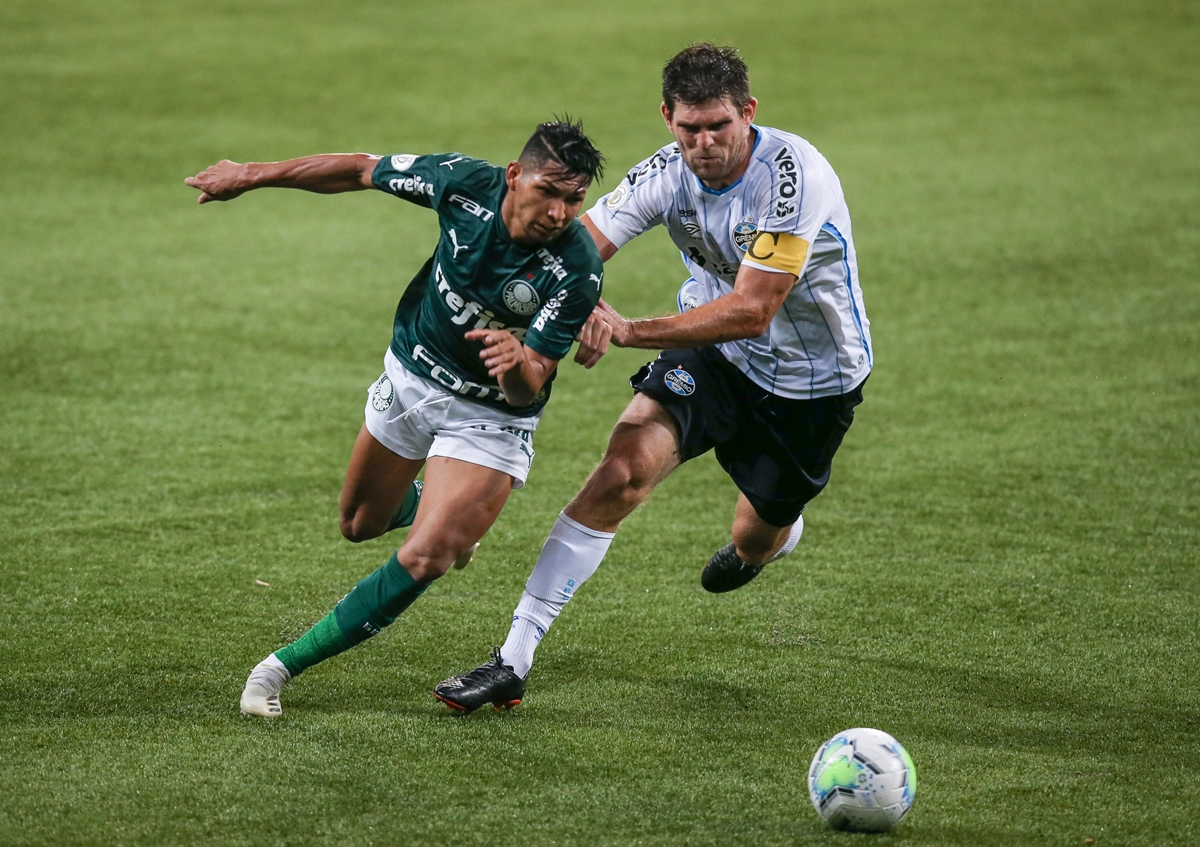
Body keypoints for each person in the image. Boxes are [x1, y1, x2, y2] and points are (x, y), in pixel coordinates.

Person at [434, 45, 872, 713]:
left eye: (719, 125)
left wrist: (627, 329)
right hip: (712, 360)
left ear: (747, 113)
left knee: (756, 534)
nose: (704, 143)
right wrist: (519, 311)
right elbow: (576, 243)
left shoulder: (793, 177)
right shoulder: (665, 174)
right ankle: (512, 659)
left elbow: (755, 309)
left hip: (809, 385)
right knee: (619, 471)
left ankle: (771, 540)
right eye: (688, 127)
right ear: (667, 117)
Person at [184, 120, 606, 717]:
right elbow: (362, 168)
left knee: (429, 553)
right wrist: (252, 176)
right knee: (359, 523)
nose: (559, 212)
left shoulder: (576, 269)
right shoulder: (464, 184)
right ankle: (436, 506)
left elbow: (525, 388)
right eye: (549, 191)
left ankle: (276, 670)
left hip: (489, 417)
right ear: (514, 176)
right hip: (412, 376)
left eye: (574, 199)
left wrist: (515, 364)